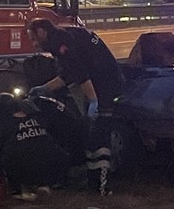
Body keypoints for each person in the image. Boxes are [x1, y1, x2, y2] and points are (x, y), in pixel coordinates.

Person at [26, 19, 124, 195]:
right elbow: (68, 74)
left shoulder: (60, 42)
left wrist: (94, 101)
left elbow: (80, 73)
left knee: (99, 136)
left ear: (41, 32)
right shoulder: (65, 36)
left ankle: (102, 187)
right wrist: (44, 89)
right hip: (101, 84)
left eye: (34, 39)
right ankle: (93, 183)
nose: (34, 44)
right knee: (90, 135)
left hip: (105, 87)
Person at [0, 92, 71, 200]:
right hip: (55, 167)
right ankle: (43, 185)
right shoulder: (38, 119)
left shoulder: (2, 128)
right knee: (37, 150)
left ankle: (19, 191)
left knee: (12, 155)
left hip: (24, 170)